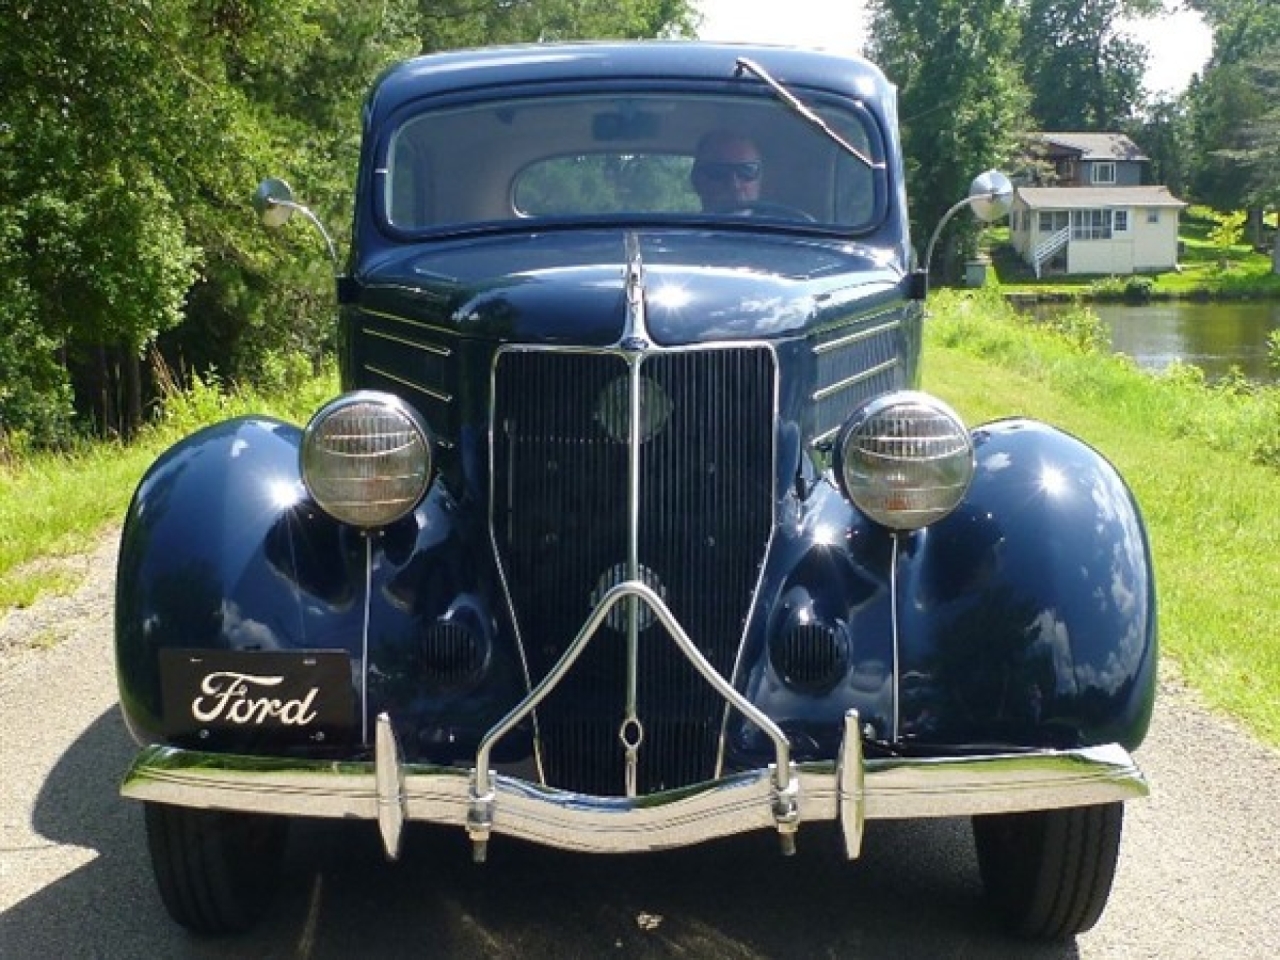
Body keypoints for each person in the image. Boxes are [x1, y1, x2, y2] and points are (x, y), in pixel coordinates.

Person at [690, 130, 763, 213]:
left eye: (746, 171)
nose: (735, 185)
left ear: (760, 178)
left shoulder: (774, 220)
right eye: (719, 171)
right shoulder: (680, 221)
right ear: (696, 180)